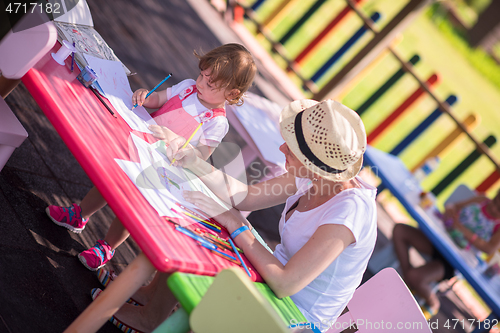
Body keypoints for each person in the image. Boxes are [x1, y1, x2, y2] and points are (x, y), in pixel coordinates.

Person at [94, 99, 378, 333]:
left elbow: (285, 282)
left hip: (295, 319)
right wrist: (193, 161)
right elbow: (244, 195)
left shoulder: (349, 211)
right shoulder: (312, 177)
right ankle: (150, 300)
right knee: (205, 225)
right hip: (274, 284)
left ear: (314, 164)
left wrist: (239, 225)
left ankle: (151, 318)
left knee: (217, 228)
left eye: (290, 147)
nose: (281, 149)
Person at [45, 43, 257, 271]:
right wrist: (145, 96)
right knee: (110, 181)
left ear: (232, 93)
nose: (200, 83)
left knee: (132, 204)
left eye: (209, 83)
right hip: (140, 143)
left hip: (162, 168)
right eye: (202, 75)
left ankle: (107, 246)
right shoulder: (187, 87)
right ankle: (80, 214)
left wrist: (173, 141)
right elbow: (159, 99)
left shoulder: (216, 122)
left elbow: (200, 157)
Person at [392, 189, 500, 319]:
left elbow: (489, 249)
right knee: (400, 230)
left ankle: (432, 303)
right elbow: (454, 206)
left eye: (499, 209)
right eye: (494, 202)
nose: (493, 209)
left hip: (455, 261)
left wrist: (461, 229)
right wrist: (450, 210)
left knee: (415, 276)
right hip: (439, 242)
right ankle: (406, 280)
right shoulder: (482, 200)